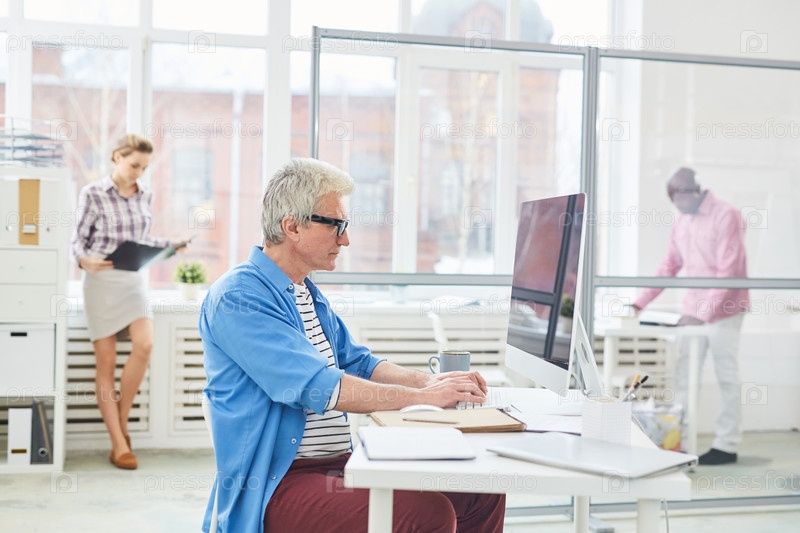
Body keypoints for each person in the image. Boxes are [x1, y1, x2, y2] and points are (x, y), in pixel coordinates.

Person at [199, 158, 506, 532]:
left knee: (481, 491)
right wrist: (424, 397)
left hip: (337, 464)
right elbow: (319, 388)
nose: (344, 239)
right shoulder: (239, 298)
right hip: (277, 484)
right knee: (428, 515)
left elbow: (360, 364)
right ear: (292, 226)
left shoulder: (305, 292)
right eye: (336, 225)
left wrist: (430, 382)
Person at [71, 134, 185, 470]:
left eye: (144, 167)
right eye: (134, 165)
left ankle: (121, 420)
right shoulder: (92, 193)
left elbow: (141, 241)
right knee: (105, 362)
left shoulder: (145, 194)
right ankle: (118, 442)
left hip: (133, 280)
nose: (139, 172)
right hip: (101, 281)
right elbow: (76, 241)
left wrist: (169, 245)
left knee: (144, 344)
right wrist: (84, 261)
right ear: (117, 157)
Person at [632, 167, 749, 465]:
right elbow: (669, 265)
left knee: (726, 375)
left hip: (725, 311)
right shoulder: (682, 220)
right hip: (693, 311)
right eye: (672, 198)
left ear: (693, 190)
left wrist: (704, 313)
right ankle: (679, 441)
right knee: (685, 376)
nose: (676, 203)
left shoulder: (727, 215)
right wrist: (639, 303)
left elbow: (729, 271)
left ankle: (726, 445)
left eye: (679, 196)